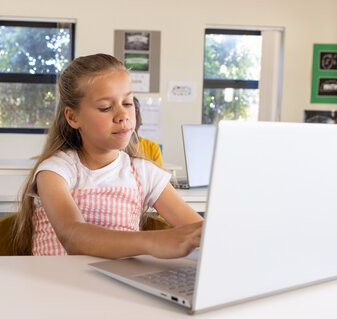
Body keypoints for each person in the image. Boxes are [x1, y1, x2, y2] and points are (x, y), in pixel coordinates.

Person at [12, 53, 202, 259]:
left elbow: (199, 231)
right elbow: (72, 237)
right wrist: (153, 241)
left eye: (128, 103)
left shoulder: (144, 173)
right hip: (57, 286)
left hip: (117, 286)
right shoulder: (55, 171)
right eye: (105, 107)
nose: (123, 115)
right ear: (73, 117)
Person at [133, 97, 164, 167]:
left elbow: (158, 177)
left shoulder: (153, 148)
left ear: (141, 119)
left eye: (136, 111)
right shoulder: (113, 149)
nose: (132, 116)